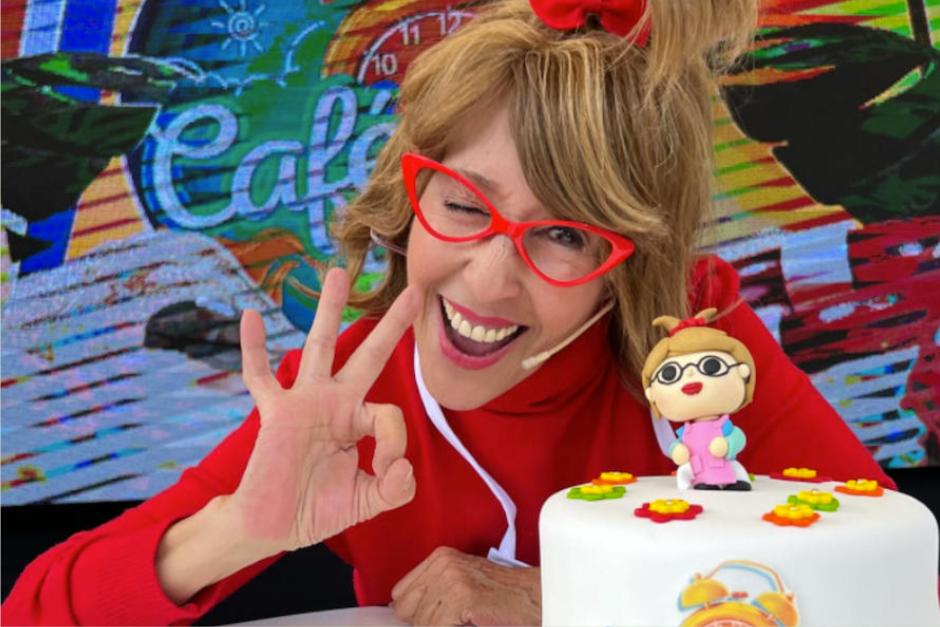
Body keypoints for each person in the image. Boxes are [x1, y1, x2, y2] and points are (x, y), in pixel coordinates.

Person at [3, 0, 894, 624]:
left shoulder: (697, 348)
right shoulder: (343, 394)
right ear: (409, 200)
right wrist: (237, 528)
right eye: (465, 204)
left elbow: (898, 586)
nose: (490, 280)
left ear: (632, 262)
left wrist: (576, 605)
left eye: (565, 235)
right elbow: (33, 611)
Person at [643, 307, 755, 490]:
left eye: (711, 366)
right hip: (698, 470)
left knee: (736, 479)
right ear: (651, 393)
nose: (690, 375)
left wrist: (728, 445)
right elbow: (676, 445)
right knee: (702, 487)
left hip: (726, 466)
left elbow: (738, 438)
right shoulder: (685, 432)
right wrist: (677, 450)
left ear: (743, 372)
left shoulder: (724, 426)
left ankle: (736, 482)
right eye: (670, 374)